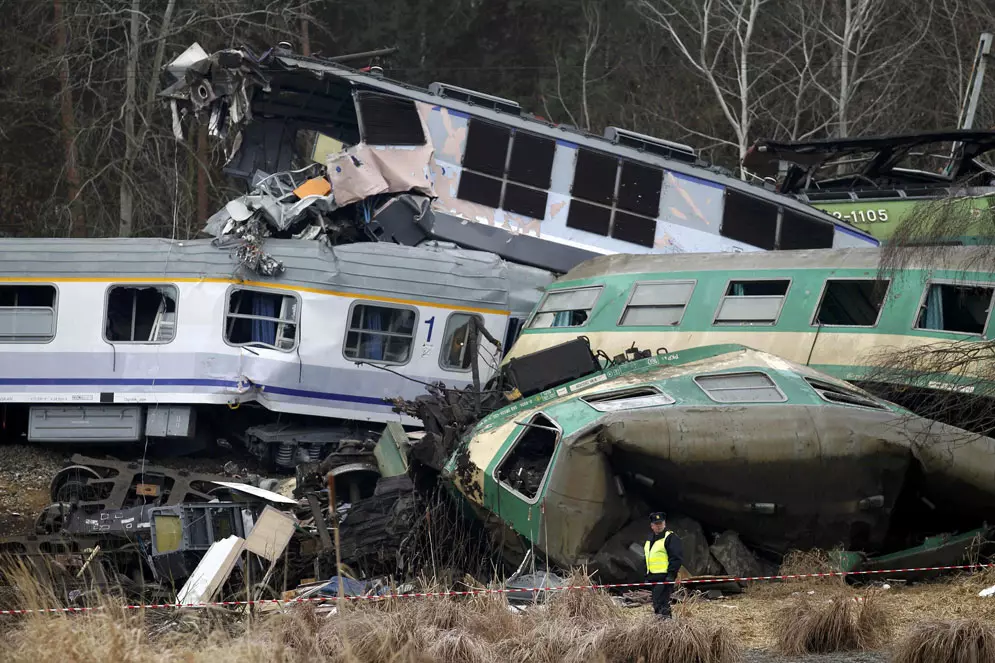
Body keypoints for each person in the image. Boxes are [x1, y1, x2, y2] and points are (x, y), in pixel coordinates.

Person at [644, 511, 684, 619]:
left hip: (664, 576)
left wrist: (671, 575)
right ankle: (662, 626)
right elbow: (649, 557)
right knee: (657, 603)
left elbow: (676, 557)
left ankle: (666, 627)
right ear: (652, 526)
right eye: (656, 524)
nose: (659, 526)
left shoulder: (670, 537)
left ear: (665, 523)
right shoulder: (650, 539)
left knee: (661, 603)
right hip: (653, 577)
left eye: (661, 523)